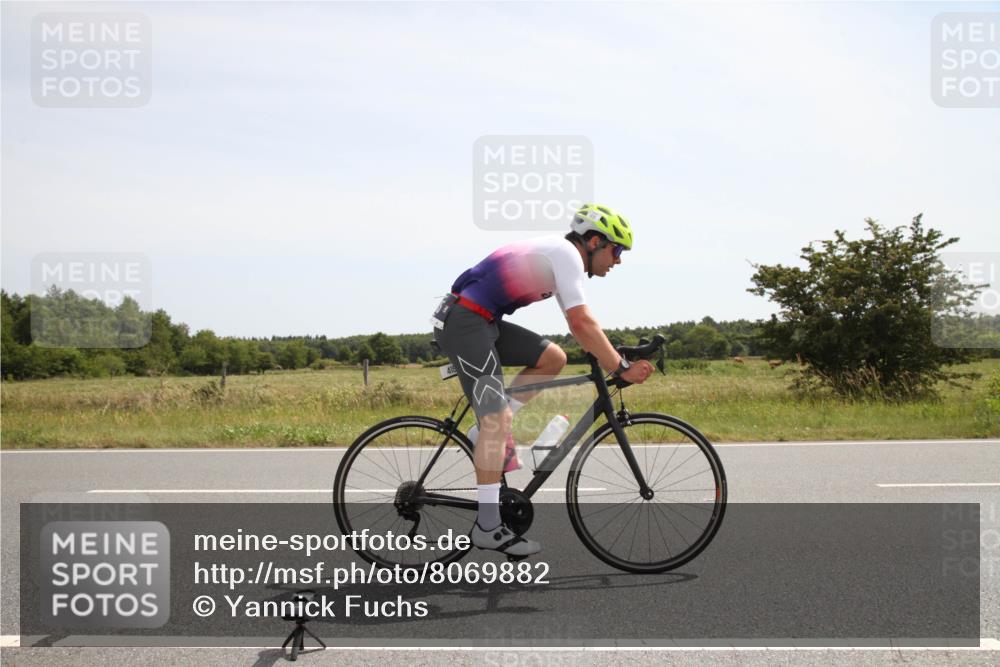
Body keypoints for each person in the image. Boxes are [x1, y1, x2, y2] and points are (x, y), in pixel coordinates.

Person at [430, 204, 654, 557]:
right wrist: (621, 367)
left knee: (553, 358)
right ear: (595, 241)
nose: (618, 261)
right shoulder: (566, 255)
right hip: (465, 322)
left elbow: (583, 325)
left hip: (483, 320)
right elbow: (581, 324)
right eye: (617, 250)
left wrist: (614, 356)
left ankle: (483, 432)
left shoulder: (563, 257)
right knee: (496, 420)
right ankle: (487, 526)